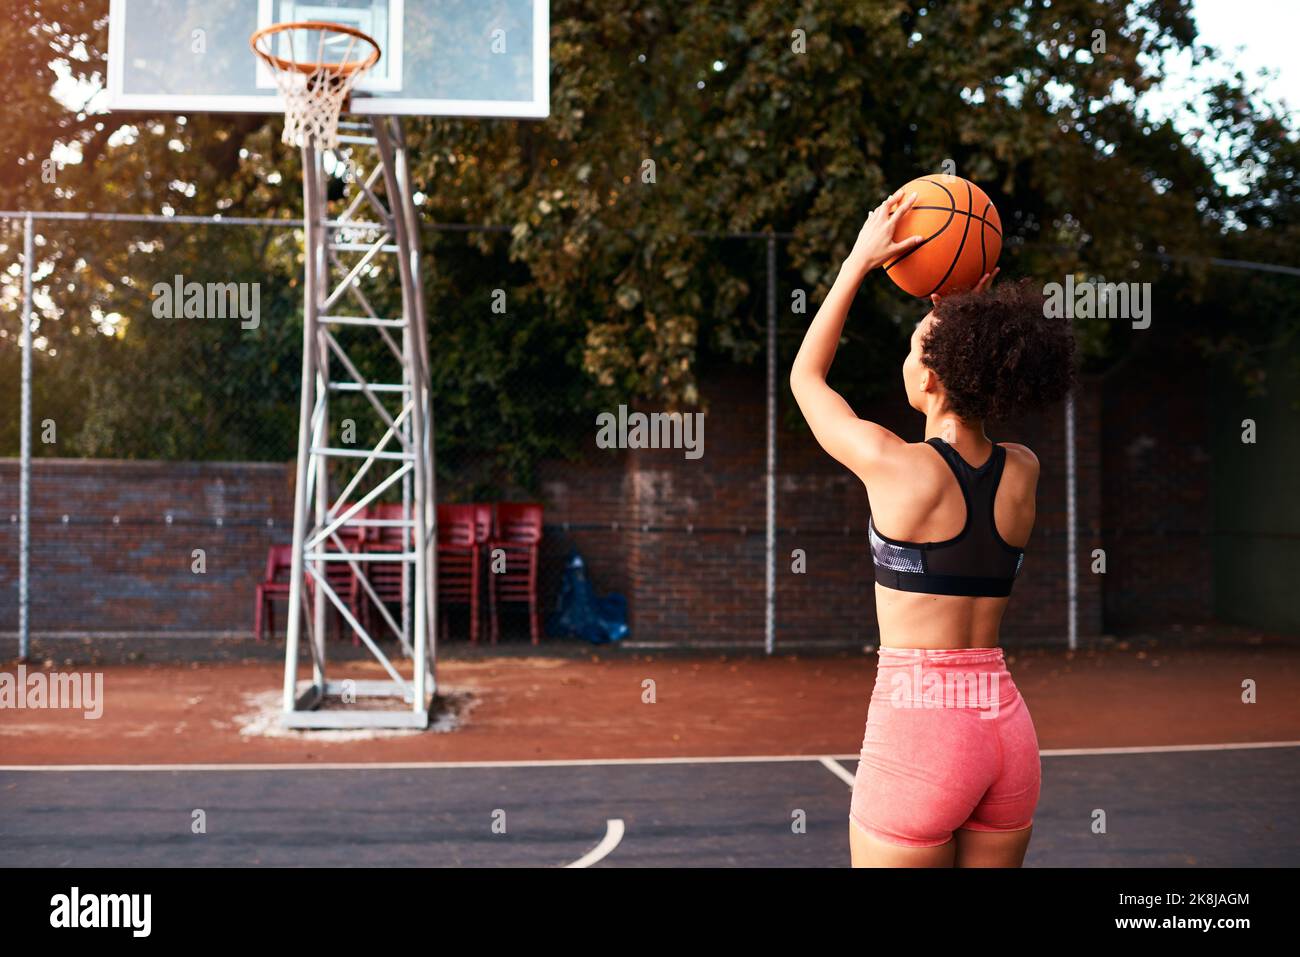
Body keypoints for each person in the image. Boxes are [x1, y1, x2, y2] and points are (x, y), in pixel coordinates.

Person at [789, 187, 1076, 867]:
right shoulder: (1023, 471)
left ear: (934, 378)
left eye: (920, 346)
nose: (910, 354)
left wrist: (859, 261)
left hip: (922, 731)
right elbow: (973, 369)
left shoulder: (898, 468)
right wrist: (962, 305)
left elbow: (806, 378)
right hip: (1005, 732)